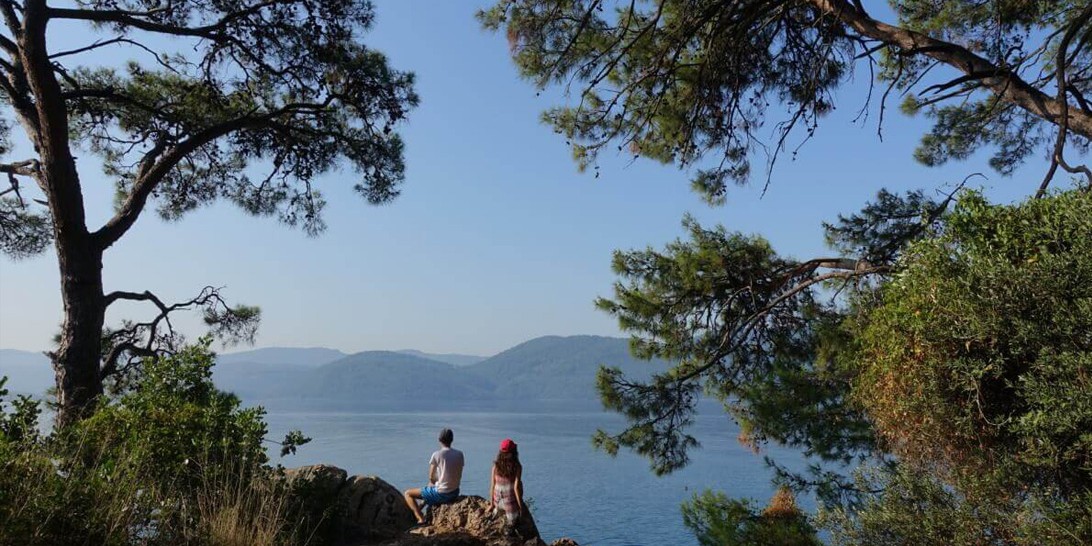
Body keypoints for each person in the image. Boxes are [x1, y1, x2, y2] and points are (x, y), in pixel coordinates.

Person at [403, 427, 464, 525]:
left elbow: (431, 476)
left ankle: (420, 518)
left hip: (443, 494)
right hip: (455, 492)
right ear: (452, 440)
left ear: (439, 440)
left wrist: (435, 482)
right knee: (430, 486)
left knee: (408, 493)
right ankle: (420, 507)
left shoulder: (437, 454)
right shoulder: (460, 454)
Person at [489, 437, 524, 525]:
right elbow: (516, 488)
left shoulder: (495, 466)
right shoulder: (517, 466)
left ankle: (497, 511)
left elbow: (492, 486)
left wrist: (492, 504)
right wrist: (521, 507)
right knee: (520, 483)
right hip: (509, 505)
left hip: (497, 502)